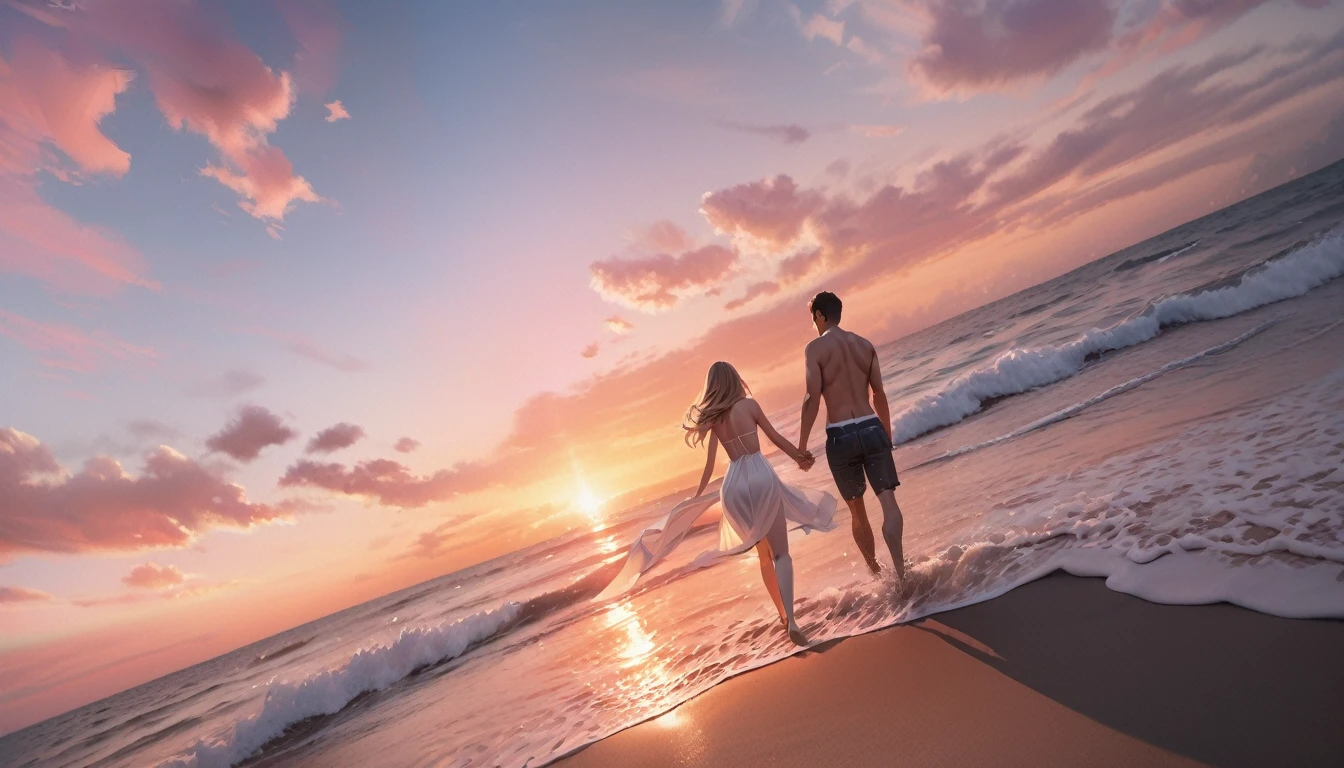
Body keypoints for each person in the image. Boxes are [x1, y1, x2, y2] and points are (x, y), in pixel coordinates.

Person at [596, 362, 836, 645]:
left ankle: (783, 617)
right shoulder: (750, 406)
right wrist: (799, 457)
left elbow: (710, 467)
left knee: (763, 557)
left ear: (713, 387)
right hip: (760, 476)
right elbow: (775, 438)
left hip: (733, 487)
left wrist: (695, 501)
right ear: (735, 379)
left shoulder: (715, 421)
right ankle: (793, 621)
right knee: (781, 554)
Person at [796, 291, 906, 580]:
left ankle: (879, 577)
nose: (814, 323)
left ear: (820, 315)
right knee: (889, 504)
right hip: (872, 427)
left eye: (813, 318)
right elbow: (879, 394)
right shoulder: (864, 345)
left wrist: (802, 447)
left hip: (841, 435)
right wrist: (887, 436)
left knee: (858, 513)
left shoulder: (815, 349)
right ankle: (903, 575)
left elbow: (812, 398)